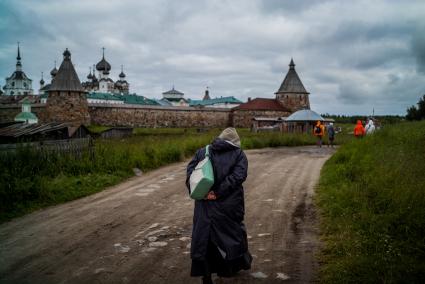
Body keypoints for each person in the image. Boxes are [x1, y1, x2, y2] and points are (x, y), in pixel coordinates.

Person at [186, 127, 252, 284]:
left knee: (204, 239)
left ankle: (206, 275)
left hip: (204, 205)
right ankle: (231, 268)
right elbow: (238, 176)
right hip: (228, 205)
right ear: (235, 142)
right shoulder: (239, 154)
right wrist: (218, 192)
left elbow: (191, 173)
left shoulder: (203, 151)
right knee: (231, 236)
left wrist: (200, 192)